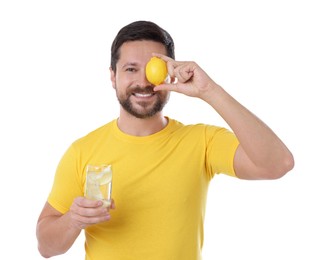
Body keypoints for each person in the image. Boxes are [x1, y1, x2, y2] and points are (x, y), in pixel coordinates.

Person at [36, 20, 294, 259]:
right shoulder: (82, 151)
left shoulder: (201, 141)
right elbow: (45, 247)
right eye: (130, 69)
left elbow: (278, 163)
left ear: (169, 74)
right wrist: (73, 219)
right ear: (113, 76)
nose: (143, 82)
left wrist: (208, 90)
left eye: (152, 69)